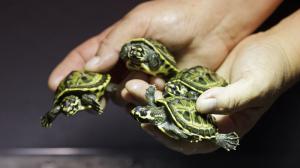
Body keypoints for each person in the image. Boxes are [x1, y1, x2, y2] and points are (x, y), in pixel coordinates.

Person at [48, 0, 300, 154]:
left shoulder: (160, 105)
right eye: (142, 114)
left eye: (142, 113)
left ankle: (218, 135)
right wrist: (223, 16)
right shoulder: (161, 104)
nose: (140, 113)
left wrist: (285, 52)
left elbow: (156, 100)